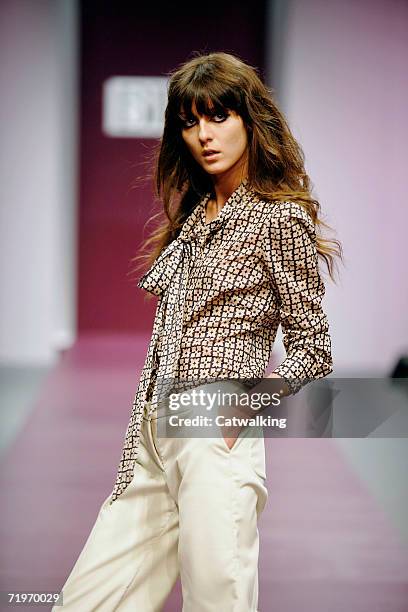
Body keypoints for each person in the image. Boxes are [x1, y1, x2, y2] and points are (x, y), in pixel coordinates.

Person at [53, 51, 341, 611]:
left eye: (218, 116)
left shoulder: (278, 218)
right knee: (85, 600)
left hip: (215, 436)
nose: (204, 135)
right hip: (153, 436)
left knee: (217, 603)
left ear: (249, 119)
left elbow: (314, 348)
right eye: (189, 122)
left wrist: (243, 408)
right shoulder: (194, 216)